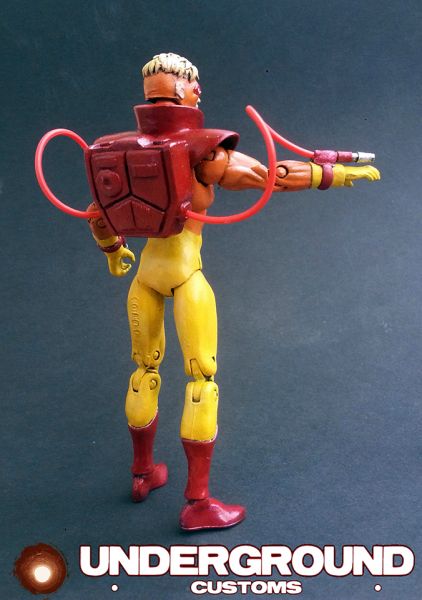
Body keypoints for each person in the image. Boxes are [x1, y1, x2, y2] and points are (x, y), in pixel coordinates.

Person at [87, 52, 380, 531]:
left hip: (145, 277)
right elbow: (271, 177)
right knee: (201, 381)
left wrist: (113, 251)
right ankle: (198, 503)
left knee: (144, 372)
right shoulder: (202, 150)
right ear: (184, 91)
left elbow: (98, 213)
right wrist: (333, 174)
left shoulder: (118, 150)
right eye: (194, 84)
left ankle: (143, 474)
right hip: (186, 276)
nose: (198, 91)